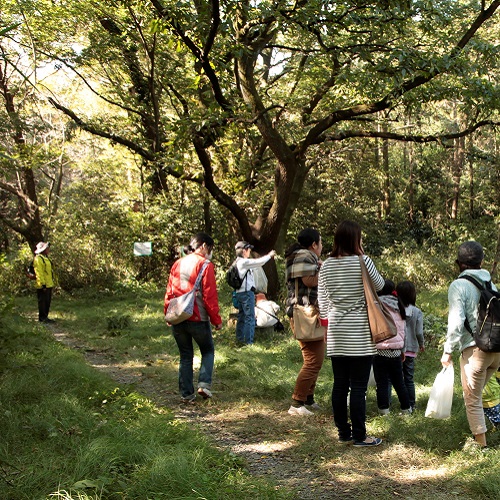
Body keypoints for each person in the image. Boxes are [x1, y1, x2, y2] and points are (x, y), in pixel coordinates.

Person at [318, 220, 384, 447]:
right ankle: (360, 436)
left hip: (337, 330)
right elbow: (380, 284)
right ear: (355, 240)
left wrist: (327, 326)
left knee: (340, 384)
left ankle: (343, 432)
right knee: (358, 387)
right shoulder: (362, 261)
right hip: (360, 332)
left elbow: (323, 300)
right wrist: (363, 258)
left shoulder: (326, 265)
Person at [440, 241, 500, 448]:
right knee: (478, 392)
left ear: (459, 263)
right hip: (495, 351)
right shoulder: (491, 284)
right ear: (481, 261)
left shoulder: (459, 286)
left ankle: (481, 446)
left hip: (475, 351)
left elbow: (456, 322)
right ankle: (489, 425)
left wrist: (447, 351)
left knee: (472, 399)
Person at [164, 232, 222, 403]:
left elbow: (170, 291)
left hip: (179, 317)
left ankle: (186, 394)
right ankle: (204, 384)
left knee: (185, 355)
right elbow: (209, 296)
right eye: (209, 248)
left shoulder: (177, 263)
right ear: (203, 246)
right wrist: (216, 320)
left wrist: (168, 313)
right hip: (198, 317)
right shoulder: (205, 265)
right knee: (207, 350)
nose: (209, 252)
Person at [285, 228, 325, 416]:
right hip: (305, 312)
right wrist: (324, 271)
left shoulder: (301, 255)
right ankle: (297, 402)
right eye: (321, 242)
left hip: (304, 312)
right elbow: (310, 281)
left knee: (314, 359)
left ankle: (308, 398)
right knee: (313, 360)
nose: (322, 246)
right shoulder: (304, 255)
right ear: (314, 244)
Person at [373, 280, 411, 415]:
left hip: (379, 350)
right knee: (399, 382)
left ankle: (384, 410)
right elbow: (403, 331)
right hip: (396, 351)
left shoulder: (376, 305)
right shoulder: (400, 304)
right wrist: (403, 350)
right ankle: (406, 408)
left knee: (382, 382)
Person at [233, 241, 276, 345]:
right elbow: (258, 262)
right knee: (250, 317)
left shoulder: (236, 262)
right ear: (244, 251)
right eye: (248, 249)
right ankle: (248, 342)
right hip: (247, 293)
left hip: (239, 293)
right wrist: (269, 256)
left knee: (242, 317)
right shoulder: (243, 262)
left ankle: (239, 340)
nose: (250, 251)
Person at [396, 280, 425, 410]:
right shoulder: (417, 312)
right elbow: (419, 332)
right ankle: (411, 404)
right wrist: (421, 344)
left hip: (396, 348)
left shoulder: (395, 309)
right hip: (411, 348)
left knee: (392, 378)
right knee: (408, 378)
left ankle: (387, 404)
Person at [33, 241, 55, 323]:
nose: (48, 249)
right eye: (46, 248)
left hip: (49, 283)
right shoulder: (38, 259)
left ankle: (45, 317)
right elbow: (39, 272)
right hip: (43, 284)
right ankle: (42, 318)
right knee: (42, 301)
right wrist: (43, 284)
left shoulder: (46, 258)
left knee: (47, 301)